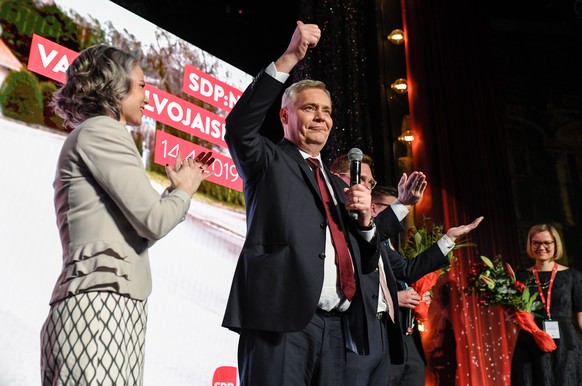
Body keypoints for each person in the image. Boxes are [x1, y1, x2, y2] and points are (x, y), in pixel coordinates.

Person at [221, 21, 429, 386]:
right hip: (280, 320)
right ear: (285, 116)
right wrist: (289, 58)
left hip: (336, 328)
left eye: (327, 111)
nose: (321, 117)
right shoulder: (267, 160)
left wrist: (365, 221)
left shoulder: (337, 185)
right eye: (310, 109)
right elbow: (239, 127)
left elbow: (367, 259)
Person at [40, 44, 215, 385]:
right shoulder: (103, 131)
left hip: (108, 308)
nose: (149, 98)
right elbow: (154, 221)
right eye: (141, 86)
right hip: (97, 310)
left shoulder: (98, 134)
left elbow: (141, 225)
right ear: (113, 87)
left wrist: (174, 193)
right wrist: (183, 191)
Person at [330, 154, 483, 386]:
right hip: (352, 337)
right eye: (359, 179)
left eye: (369, 183)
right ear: (336, 179)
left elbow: (407, 270)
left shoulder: (377, 240)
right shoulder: (335, 225)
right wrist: (393, 297)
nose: (366, 189)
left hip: (383, 338)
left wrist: (448, 239)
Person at [510, 223, 582, 386]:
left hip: (565, 345)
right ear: (530, 245)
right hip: (531, 342)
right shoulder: (520, 277)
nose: (541, 247)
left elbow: (580, 318)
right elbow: (514, 313)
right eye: (536, 242)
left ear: (555, 244)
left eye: (547, 243)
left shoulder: (573, 276)